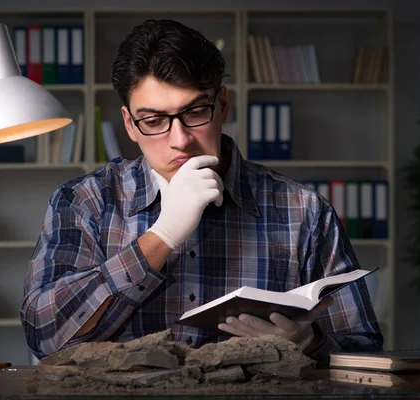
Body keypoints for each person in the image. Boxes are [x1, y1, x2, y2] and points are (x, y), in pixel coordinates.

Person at [21, 19, 383, 367]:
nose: (180, 140)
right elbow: (44, 336)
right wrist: (161, 237)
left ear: (223, 104)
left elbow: (364, 352)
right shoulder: (84, 202)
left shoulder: (303, 210)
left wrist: (308, 344)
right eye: (153, 121)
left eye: (195, 112)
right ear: (130, 125)